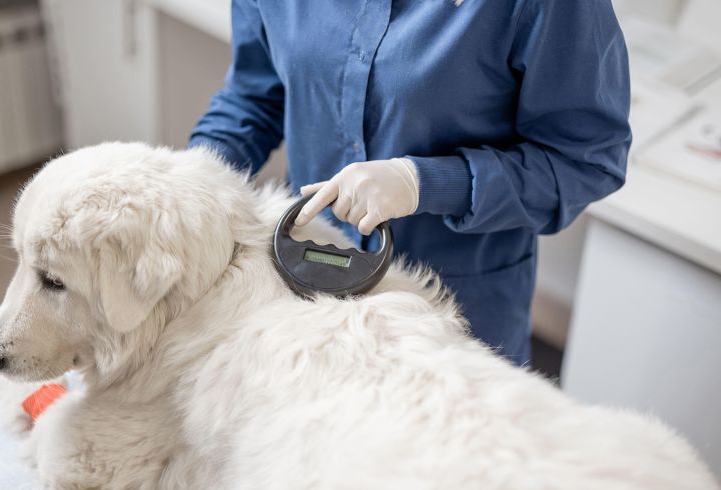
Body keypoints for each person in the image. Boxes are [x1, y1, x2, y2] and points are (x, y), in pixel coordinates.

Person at [189, 0, 631, 366]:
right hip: (304, 291)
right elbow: (254, 96)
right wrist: (191, 178)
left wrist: (426, 183)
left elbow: (585, 160)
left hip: (454, 315)